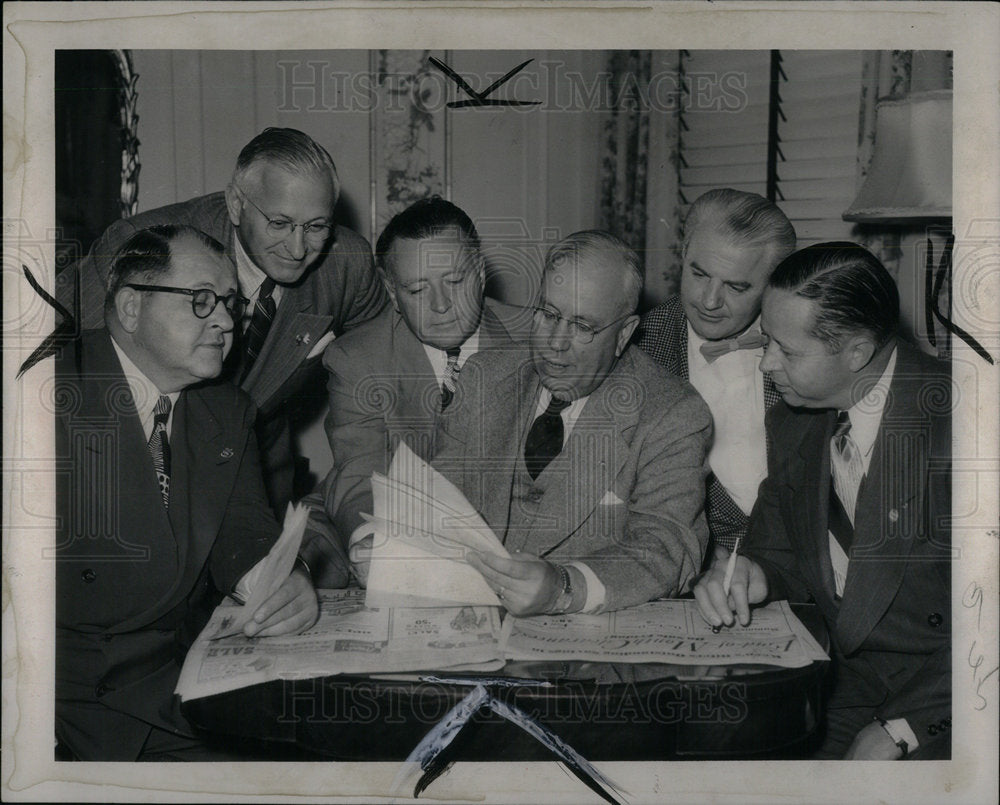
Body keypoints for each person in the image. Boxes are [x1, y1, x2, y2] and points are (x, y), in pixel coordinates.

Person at [54, 225, 319, 761]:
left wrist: (283, 580)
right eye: (201, 301)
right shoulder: (44, 393)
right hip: (62, 709)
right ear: (130, 308)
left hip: (179, 694)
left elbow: (244, 533)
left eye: (228, 303)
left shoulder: (227, 410)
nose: (226, 322)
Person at [693, 242, 952, 760]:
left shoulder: (962, 423)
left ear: (856, 352)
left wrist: (906, 728)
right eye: (767, 341)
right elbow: (780, 549)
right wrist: (755, 574)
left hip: (954, 691)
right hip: (845, 683)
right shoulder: (793, 420)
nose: (766, 365)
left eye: (787, 351)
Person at [58, 127, 388, 515]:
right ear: (236, 203)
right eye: (279, 223)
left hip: (259, 477)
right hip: (134, 476)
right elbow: (54, 360)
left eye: (316, 226)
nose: (298, 249)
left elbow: (386, 361)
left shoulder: (346, 265)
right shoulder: (139, 245)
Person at [433, 230, 712, 616]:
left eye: (582, 327)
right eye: (548, 314)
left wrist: (564, 587)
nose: (555, 343)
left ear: (624, 334)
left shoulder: (672, 413)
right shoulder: (484, 377)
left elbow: (665, 549)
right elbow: (435, 501)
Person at [302, 197, 528, 584]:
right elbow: (360, 467)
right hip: (390, 525)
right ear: (391, 292)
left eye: (455, 281)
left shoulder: (536, 339)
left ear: (481, 272)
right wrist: (374, 542)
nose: (441, 306)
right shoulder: (357, 357)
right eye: (418, 290)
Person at [637, 188, 796, 554]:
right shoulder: (636, 349)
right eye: (698, 274)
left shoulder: (806, 347)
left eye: (736, 287)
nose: (709, 301)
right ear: (683, 255)